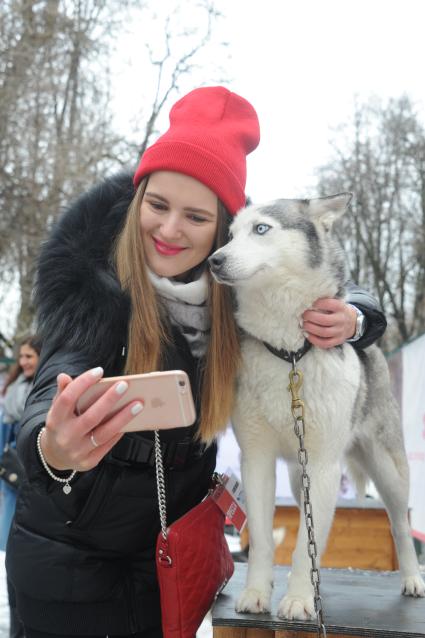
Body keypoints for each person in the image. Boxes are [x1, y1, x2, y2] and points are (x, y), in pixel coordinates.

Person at [6, 86, 386, 638]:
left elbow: (325, 288)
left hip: (173, 565)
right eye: (157, 205)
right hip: (72, 570)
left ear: (221, 229)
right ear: (138, 199)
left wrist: (356, 315)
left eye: (195, 216)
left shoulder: (236, 294)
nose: (168, 230)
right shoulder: (93, 284)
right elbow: (54, 386)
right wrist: (51, 446)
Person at [1, 335, 42, 638]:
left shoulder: (47, 388)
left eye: (30, 356)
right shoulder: (14, 392)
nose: (25, 361)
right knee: (12, 555)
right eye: (22, 356)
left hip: (38, 484)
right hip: (12, 480)